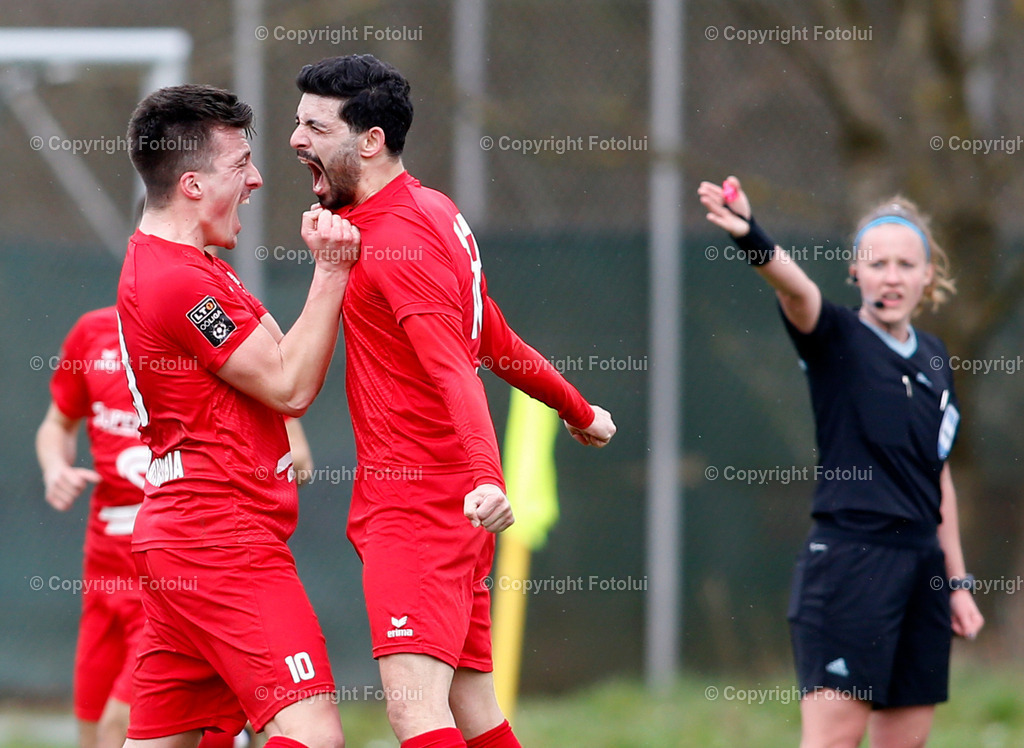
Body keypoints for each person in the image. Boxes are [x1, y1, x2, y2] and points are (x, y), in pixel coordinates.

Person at [289, 54, 617, 748]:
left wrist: (486, 479)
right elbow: (487, 333)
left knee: (414, 712)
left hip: (420, 508)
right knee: (474, 711)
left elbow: (454, 370)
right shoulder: (431, 211)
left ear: (369, 141)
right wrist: (576, 408)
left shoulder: (396, 238)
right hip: (446, 509)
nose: (296, 140)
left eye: (315, 127)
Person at [698, 176, 985, 748]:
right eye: (878, 264)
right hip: (851, 565)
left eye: (907, 264)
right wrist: (752, 237)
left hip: (922, 571)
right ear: (856, 272)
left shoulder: (934, 357)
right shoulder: (837, 336)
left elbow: (938, 475)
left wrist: (955, 581)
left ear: (928, 275)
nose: (893, 276)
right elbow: (797, 290)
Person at [117, 83, 359, 748]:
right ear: (191, 185)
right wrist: (332, 269)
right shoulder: (178, 280)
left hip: (185, 538)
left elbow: (280, 356)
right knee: (314, 734)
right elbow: (288, 385)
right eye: (239, 165)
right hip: (220, 540)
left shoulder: (195, 266)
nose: (255, 180)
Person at [36, 305, 316, 748]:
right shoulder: (93, 333)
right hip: (105, 572)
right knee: (92, 729)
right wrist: (55, 469)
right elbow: (57, 422)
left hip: (180, 564)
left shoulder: (213, 333)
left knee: (121, 725)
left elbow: (296, 456)